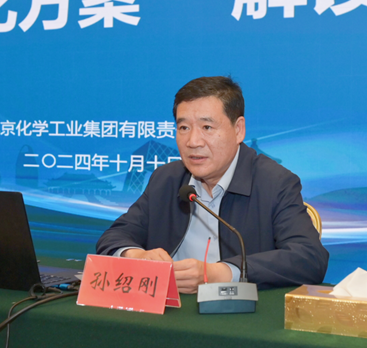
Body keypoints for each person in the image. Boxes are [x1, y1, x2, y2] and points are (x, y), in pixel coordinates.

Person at [96, 76, 329, 293]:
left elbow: (309, 258)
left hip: (234, 314)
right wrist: (136, 256)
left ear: (238, 130)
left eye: (207, 127)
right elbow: (113, 237)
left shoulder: (274, 183)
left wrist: (221, 273)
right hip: (168, 310)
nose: (193, 141)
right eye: (183, 128)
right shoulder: (166, 179)